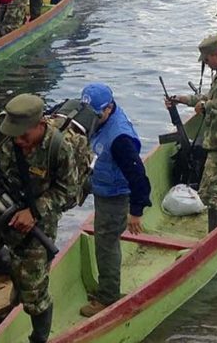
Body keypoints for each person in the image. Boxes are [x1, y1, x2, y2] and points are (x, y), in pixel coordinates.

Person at [0, 93, 77, 343]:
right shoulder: (0, 127)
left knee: (33, 295)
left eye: (25, 136)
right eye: (15, 135)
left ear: (41, 125)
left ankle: (39, 338)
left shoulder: (59, 147)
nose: (20, 141)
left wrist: (33, 212)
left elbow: (69, 193)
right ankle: (16, 267)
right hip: (2, 204)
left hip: (38, 218)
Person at [78, 84, 151, 317]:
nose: (92, 119)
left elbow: (138, 176)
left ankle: (107, 296)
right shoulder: (96, 117)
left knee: (106, 242)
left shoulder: (120, 139)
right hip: (98, 178)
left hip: (115, 193)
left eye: (96, 115)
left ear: (109, 108)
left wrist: (136, 210)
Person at [167, 35, 217, 231]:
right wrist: (184, 99)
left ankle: (216, 236)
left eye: (208, 60)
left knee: (209, 193)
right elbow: (211, 98)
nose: (208, 65)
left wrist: (206, 105)